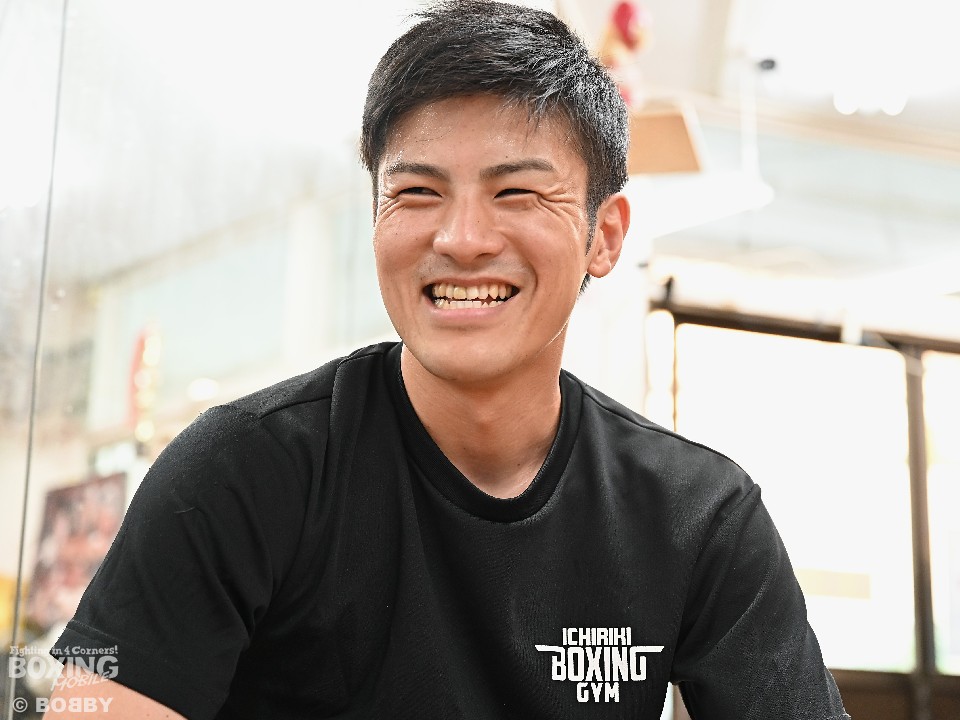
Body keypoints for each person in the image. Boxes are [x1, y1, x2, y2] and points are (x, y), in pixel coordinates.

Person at [46, 1, 850, 718]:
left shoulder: (697, 515)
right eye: (418, 192)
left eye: (517, 192)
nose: (462, 239)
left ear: (603, 236)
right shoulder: (239, 472)